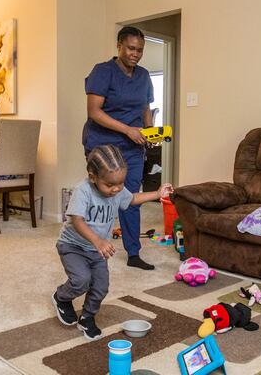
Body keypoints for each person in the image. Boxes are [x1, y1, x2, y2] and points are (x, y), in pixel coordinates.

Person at [52, 145, 173, 340]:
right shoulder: (83, 191)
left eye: (120, 183)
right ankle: (61, 297)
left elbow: (132, 198)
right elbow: (77, 220)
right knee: (81, 280)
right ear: (93, 177)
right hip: (73, 246)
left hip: (97, 250)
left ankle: (87, 317)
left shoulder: (117, 190)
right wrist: (98, 241)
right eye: (110, 185)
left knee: (101, 286)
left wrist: (157, 194)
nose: (116, 189)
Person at [83, 26, 156, 270]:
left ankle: (133, 253)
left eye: (140, 50)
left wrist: (149, 131)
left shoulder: (143, 76)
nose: (136, 54)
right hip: (102, 144)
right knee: (99, 196)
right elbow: (94, 112)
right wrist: (127, 130)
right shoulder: (103, 72)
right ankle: (89, 246)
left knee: (131, 197)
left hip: (132, 147)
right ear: (119, 45)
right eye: (131, 48)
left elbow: (145, 107)